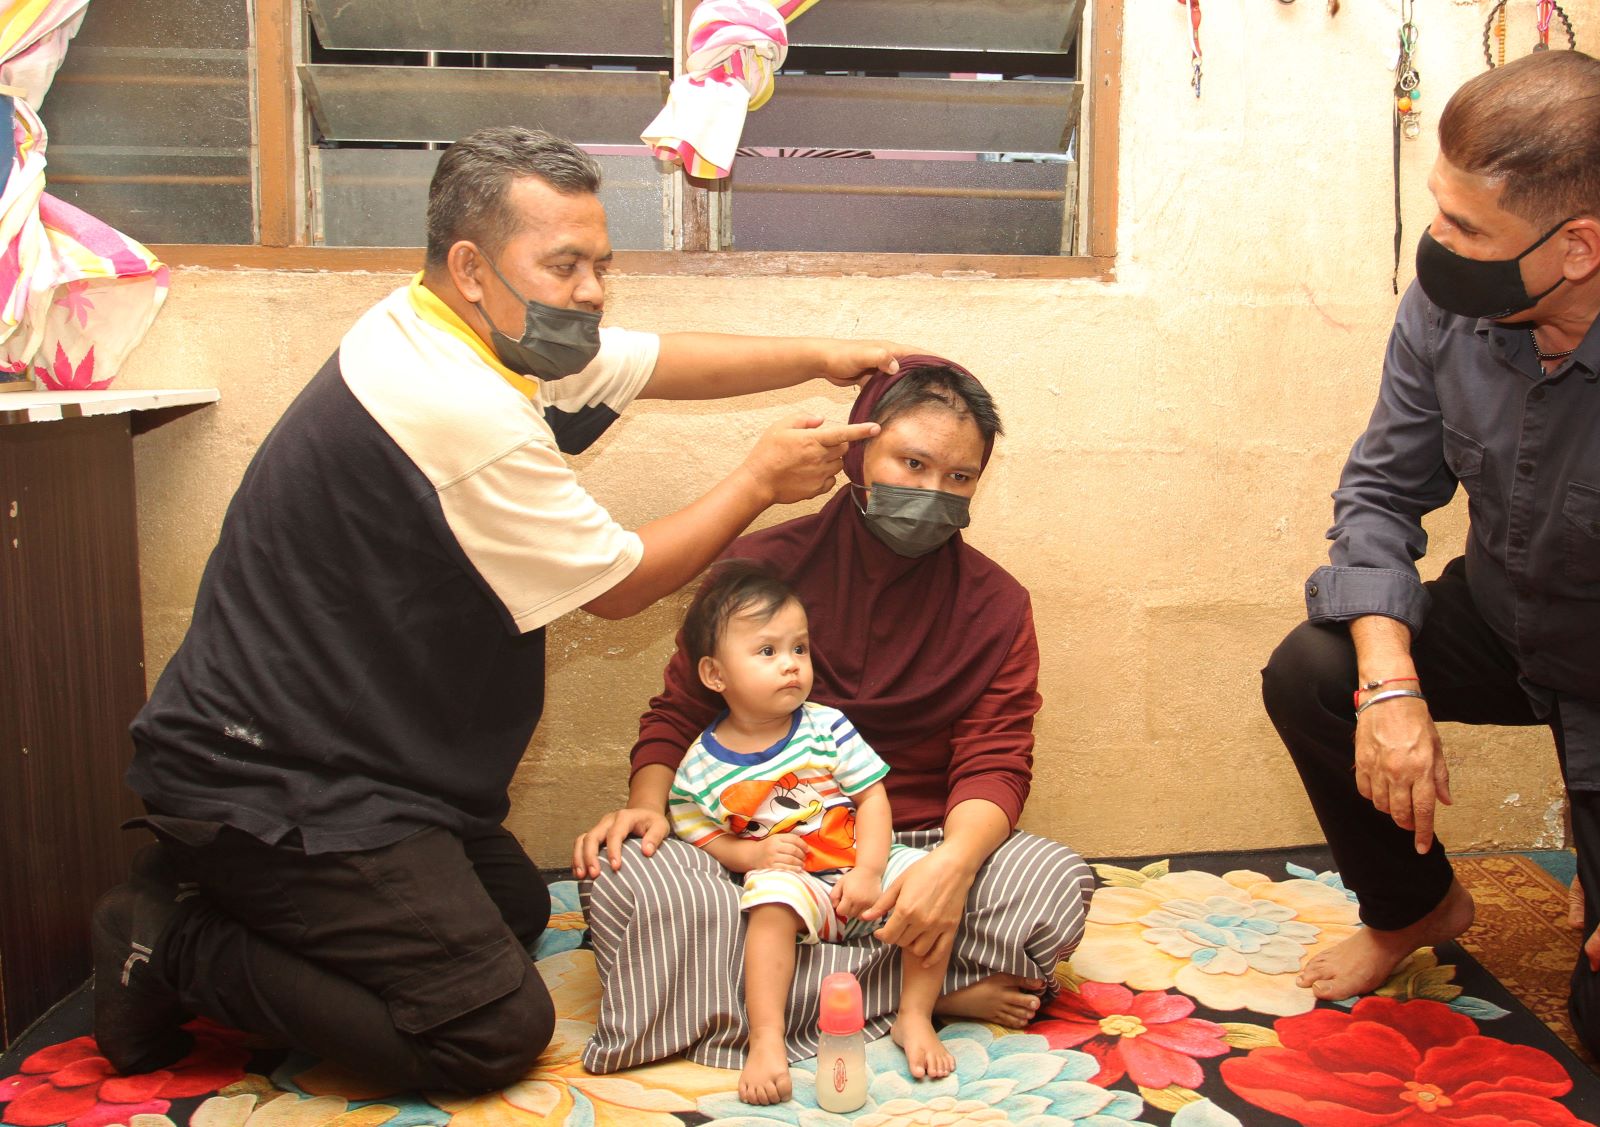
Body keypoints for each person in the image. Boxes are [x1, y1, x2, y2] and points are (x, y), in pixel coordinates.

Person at [92, 125, 904, 1093]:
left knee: (515, 909)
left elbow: (653, 361)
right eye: (565, 265)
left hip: (374, 762)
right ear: (473, 266)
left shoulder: (443, 323)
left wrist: (824, 354)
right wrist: (758, 479)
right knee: (487, 1030)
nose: (592, 291)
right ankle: (166, 938)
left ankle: (221, 897)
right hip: (274, 779)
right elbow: (619, 586)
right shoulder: (455, 406)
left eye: (601, 265)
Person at [1261, 51, 1600, 1087]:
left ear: (1577, 246)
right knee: (1314, 669)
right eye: (1439, 209)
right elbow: (1378, 496)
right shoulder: (1449, 305)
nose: (1436, 242)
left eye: (1464, 227)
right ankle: (1414, 906)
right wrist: (1389, 685)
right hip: (1507, 618)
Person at [573, 358, 1095, 1073]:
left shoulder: (996, 604)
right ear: (857, 452)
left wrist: (950, 866)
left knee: (1050, 880)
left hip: (908, 848)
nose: (932, 492)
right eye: (912, 463)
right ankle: (921, 994)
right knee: (631, 876)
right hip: (756, 848)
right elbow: (680, 710)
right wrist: (645, 805)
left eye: (959, 477)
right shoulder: (758, 568)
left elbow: (995, 757)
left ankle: (750, 999)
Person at [668, 561, 957, 1102]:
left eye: (799, 648)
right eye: (767, 651)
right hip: (798, 885)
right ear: (715, 674)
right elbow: (694, 828)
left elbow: (872, 798)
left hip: (862, 867)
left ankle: (915, 1015)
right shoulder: (699, 768)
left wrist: (870, 870)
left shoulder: (827, 727)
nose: (791, 664)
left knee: (928, 879)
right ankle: (766, 1039)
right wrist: (750, 857)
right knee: (769, 903)